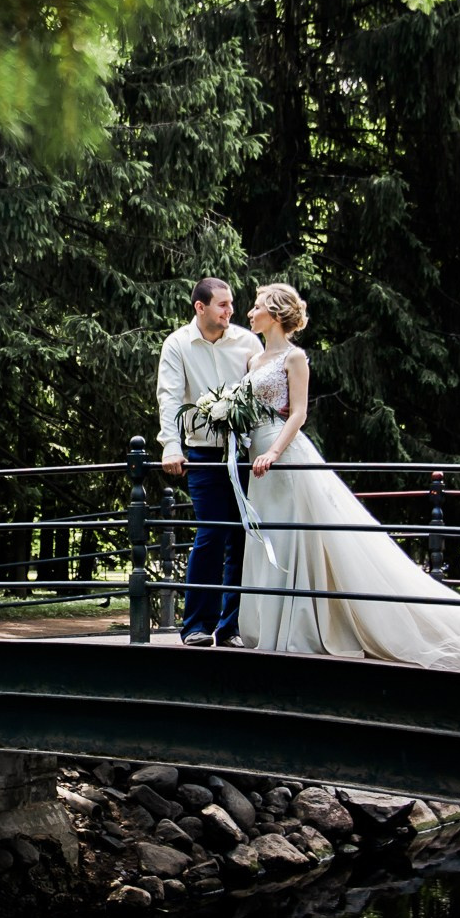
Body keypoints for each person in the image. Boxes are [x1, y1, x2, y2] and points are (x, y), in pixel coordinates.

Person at [235, 283, 460, 672]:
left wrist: (273, 452)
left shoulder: (295, 357)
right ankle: (268, 627)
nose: (250, 314)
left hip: (282, 455)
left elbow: (299, 413)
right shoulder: (254, 362)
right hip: (256, 458)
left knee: (293, 535)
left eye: (256, 308)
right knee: (268, 534)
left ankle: (297, 629)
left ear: (274, 314)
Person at [157, 276, 264, 646]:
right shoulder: (177, 344)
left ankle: (230, 626)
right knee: (212, 532)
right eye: (222, 304)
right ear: (199, 307)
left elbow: (262, 394)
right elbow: (169, 397)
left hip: (247, 453)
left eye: (231, 303)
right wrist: (172, 446)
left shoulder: (248, 342)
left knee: (241, 536)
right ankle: (196, 626)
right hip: (202, 452)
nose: (230, 310)